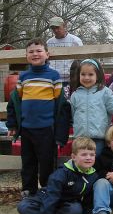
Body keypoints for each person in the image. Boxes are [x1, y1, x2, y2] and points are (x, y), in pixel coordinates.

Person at [6, 38, 70, 197]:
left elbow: (61, 106)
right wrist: (12, 124)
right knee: (28, 162)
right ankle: (29, 190)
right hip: (26, 129)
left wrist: (60, 134)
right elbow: (15, 102)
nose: (35, 54)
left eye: (39, 50)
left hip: (47, 129)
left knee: (47, 162)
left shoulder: (54, 76)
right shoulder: (23, 77)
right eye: (31, 52)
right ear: (26, 55)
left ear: (47, 54)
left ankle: (48, 188)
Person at [70, 58, 113, 156]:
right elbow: (72, 115)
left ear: (97, 75)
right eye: (83, 74)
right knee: (81, 164)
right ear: (78, 75)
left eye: (90, 74)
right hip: (80, 139)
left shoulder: (104, 92)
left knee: (96, 163)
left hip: (98, 138)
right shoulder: (75, 95)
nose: (86, 78)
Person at [17, 137, 98, 214]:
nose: (88, 157)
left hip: (68, 203)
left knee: (75, 210)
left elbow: (88, 198)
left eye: (92, 155)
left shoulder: (93, 175)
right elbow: (51, 198)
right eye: (84, 154)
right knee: (23, 206)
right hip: (48, 199)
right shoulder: (61, 174)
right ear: (73, 157)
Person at [47, 16, 83, 86]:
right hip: (54, 79)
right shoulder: (49, 42)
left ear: (64, 26)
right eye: (53, 28)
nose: (56, 30)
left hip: (71, 79)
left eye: (57, 27)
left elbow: (81, 60)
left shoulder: (75, 41)